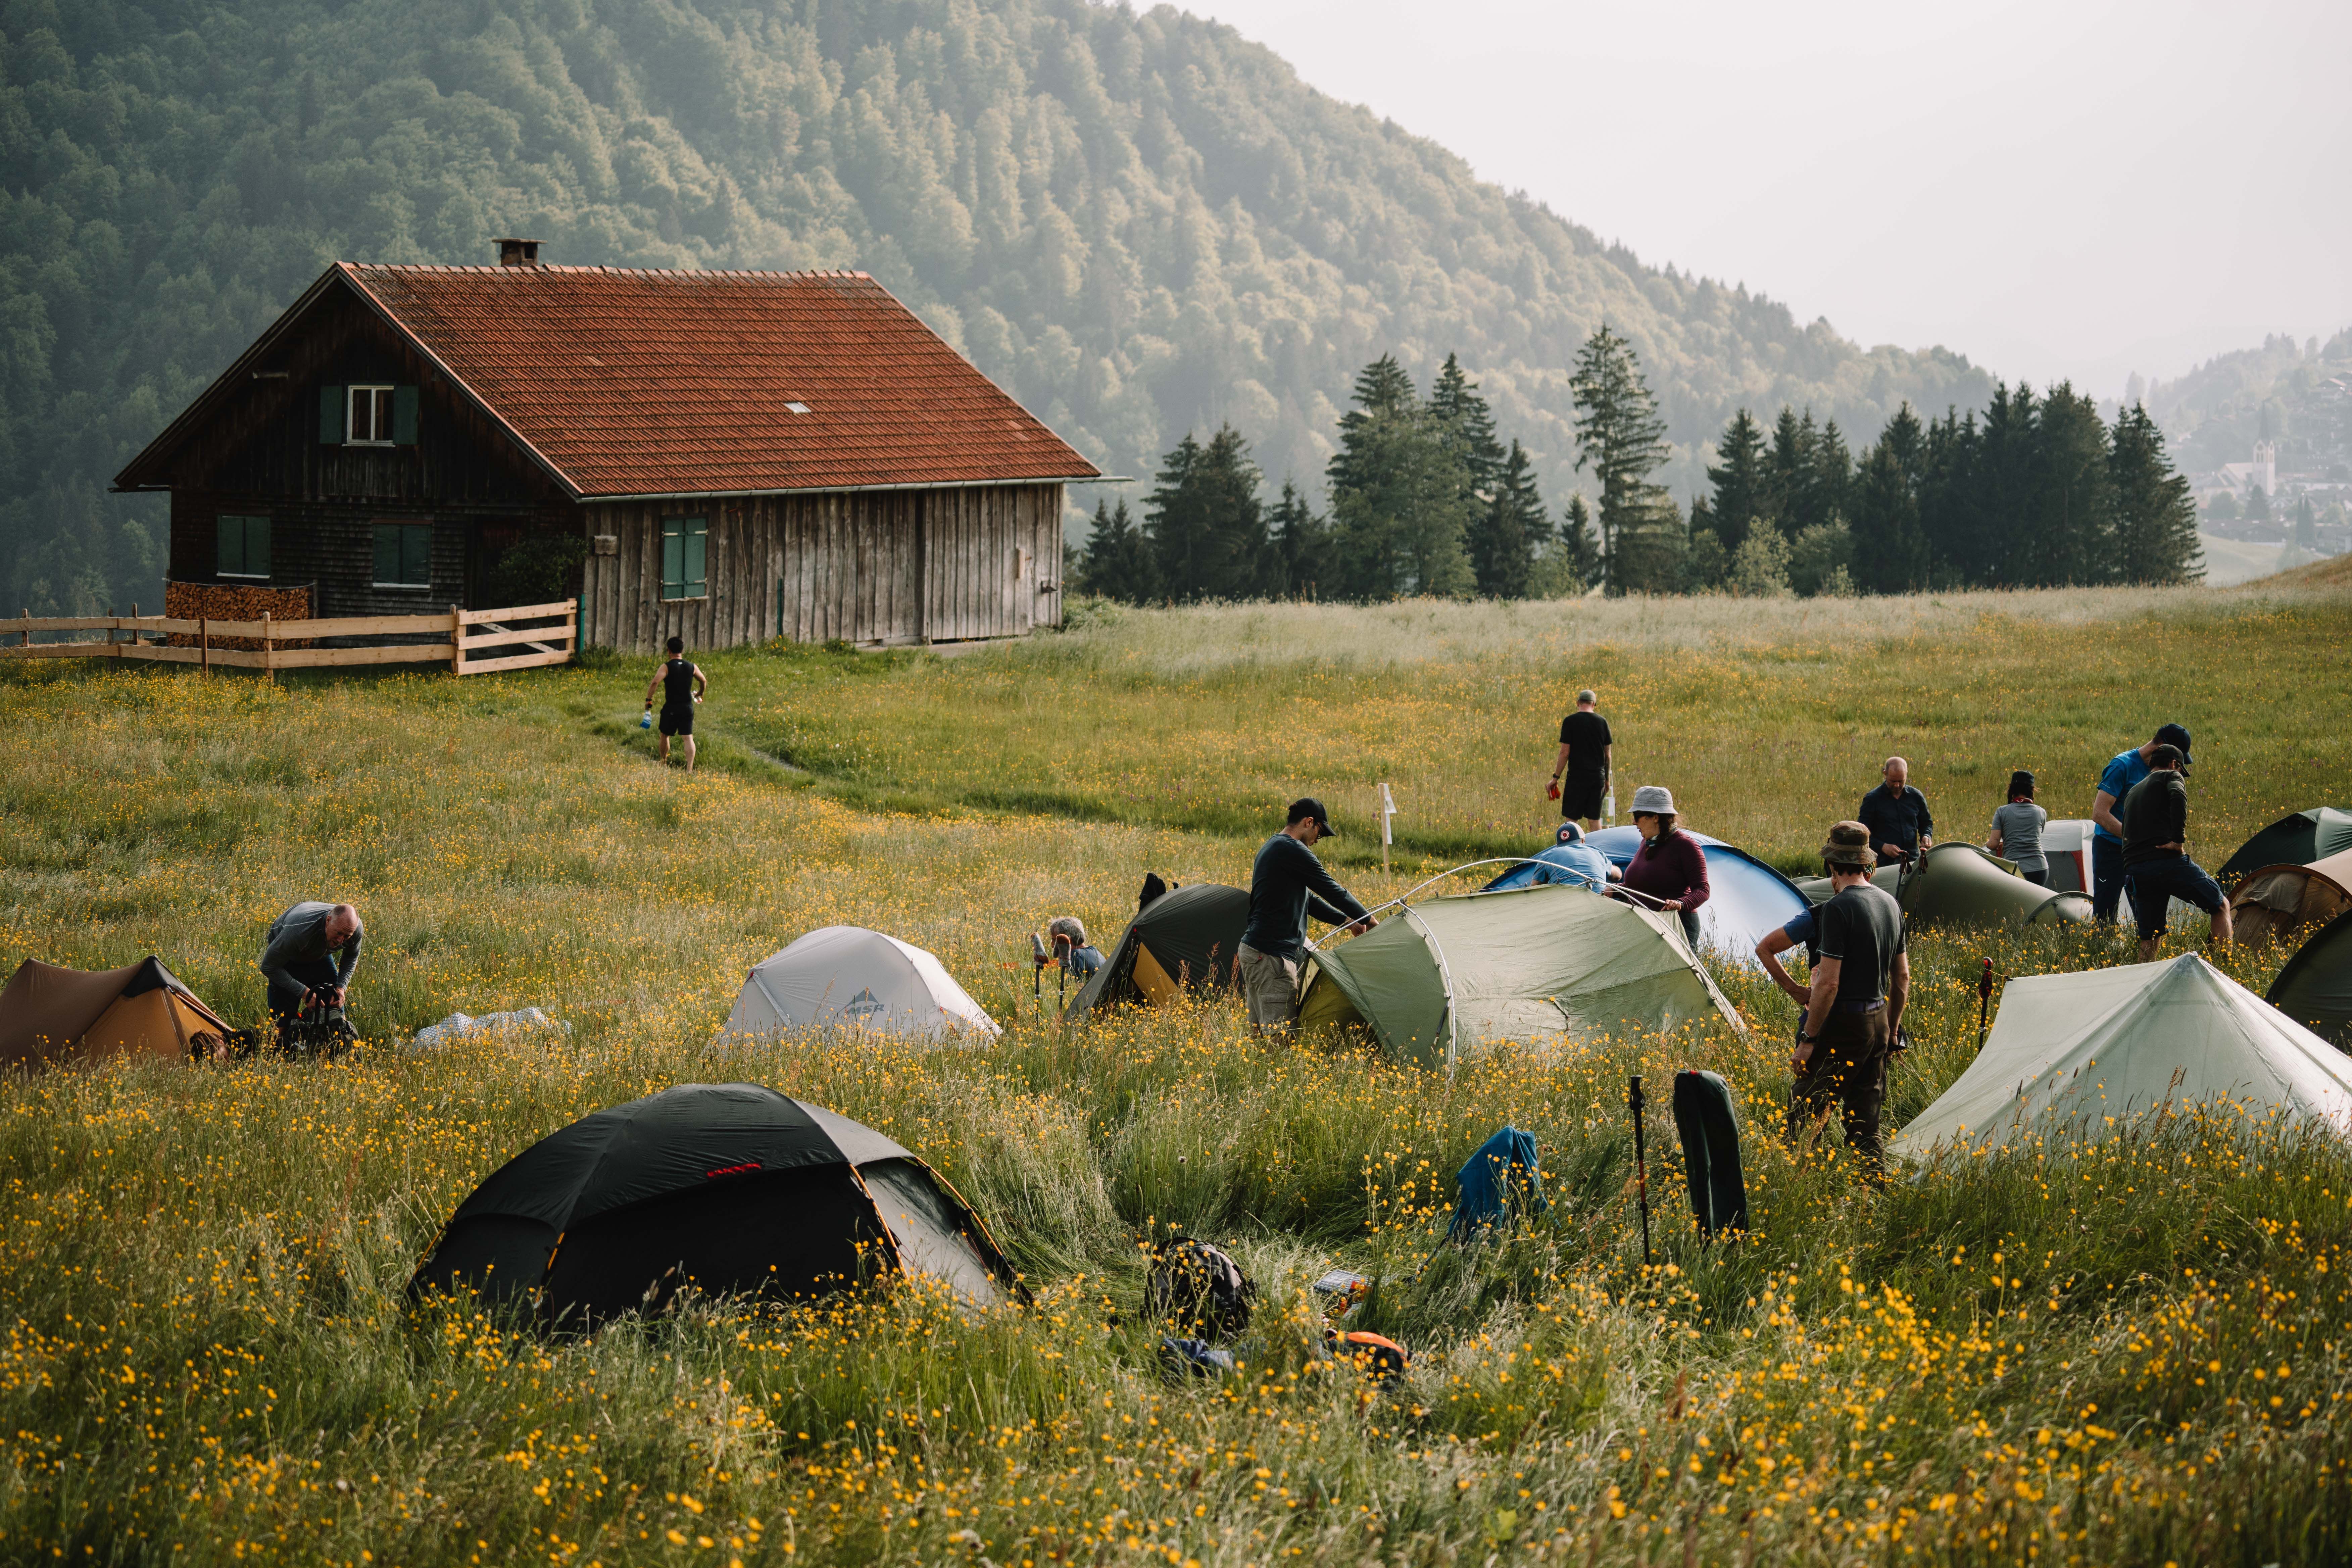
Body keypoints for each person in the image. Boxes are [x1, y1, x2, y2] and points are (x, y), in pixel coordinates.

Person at [1787, 822, 1909, 1179]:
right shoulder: (1891, 904)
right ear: (1867, 864)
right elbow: (1901, 978)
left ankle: (1797, 1189)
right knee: (1866, 1123)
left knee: (1805, 1115)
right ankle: (1874, 1195)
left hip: (1842, 1026)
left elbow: (1828, 985)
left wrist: (1808, 1040)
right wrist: (1892, 1030)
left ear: (1832, 866)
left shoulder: (1838, 908)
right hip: (1878, 1020)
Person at [1237, 798, 1374, 1034]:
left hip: (1257, 952)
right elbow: (1333, 890)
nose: (1317, 840)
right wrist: (1371, 921)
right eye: (1319, 833)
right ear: (1309, 822)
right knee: (1279, 1038)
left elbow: (1307, 899)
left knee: (1260, 1036)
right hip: (1272, 957)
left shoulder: (1273, 847)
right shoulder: (1292, 849)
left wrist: (1346, 921)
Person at [2118, 744, 2231, 962]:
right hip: (2165, 861)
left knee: (2150, 935)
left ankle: (2145, 980)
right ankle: (2223, 969)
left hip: (2137, 869)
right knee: (2220, 905)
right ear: (2174, 764)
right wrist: (2178, 841)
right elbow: (2178, 795)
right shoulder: (2171, 775)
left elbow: (2125, 830)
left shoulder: (2134, 790)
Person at [2090, 723, 2195, 924]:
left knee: (2146, 909)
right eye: (2176, 758)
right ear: (2162, 746)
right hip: (2111, 849)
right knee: (2105, 911)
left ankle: (2146, 951)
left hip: (2142, 852)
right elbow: (2100, 814)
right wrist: (2136, 839)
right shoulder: (2122, 765)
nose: (2176, 765)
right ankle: (2102, 949)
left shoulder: (2162, 771)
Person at [260, 901, 363, 1050]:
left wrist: (342, 988)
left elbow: (351, 957)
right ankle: (272, 1054)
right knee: (283, 1018)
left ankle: (337, 1051)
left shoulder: (354, 929)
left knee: (334, 1004)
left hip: (320, 953)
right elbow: (269, 967)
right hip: (289, 955)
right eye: (339, 934)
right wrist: (305, 993)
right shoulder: (298, 931)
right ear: (329, 921)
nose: (341, 941)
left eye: (347, 937)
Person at [1615, 785, 1708, 947]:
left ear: (1655, 817)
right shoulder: (1648, 841)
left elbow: (1703, 890)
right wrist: (1615, 889)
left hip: (1677, 926)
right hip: (1648, 923)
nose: (1633, 822)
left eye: (1637, 816)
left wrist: (1681, 903)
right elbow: (1642, 885)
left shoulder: (1687, 846)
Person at [1549, 689, 1613, 832]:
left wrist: (1556, 778)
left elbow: (1565, 753)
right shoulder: (1603, 722)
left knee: (1572, 820)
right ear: (1594, 705)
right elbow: (1607, 755)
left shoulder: (1570, 721)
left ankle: (1572, 851)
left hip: (1576, 778)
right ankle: (1597, 852)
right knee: (1595, 819)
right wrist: (1607, 780)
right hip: (1598, 778)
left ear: (1578, 703)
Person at [643, 636, 707, 771]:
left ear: (669, 651)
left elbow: (655, 682)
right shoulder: (692, 667)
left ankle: (663, 763)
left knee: (665, 735)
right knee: (688, 738)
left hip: (671, 707)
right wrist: (700, 693)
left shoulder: (666, 667)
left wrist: (649, 700)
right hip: (687, 707)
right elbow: (704, 681)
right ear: (682, 650)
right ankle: (689, 769)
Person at [1857, 756, 1934, 868]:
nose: (1897, 785)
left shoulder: (1916, 797)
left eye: (1901, 781)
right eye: (1893, 781)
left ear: (1907, 774)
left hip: (1912, 861)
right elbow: (1862, 834)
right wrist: (1883, 847)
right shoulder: (1873, 799)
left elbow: (1926, 823)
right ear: (1885, 773)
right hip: (1883, 864)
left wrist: (1926, 835)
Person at [1986, 770, 2051, 886]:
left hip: (2016, 870)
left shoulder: (2002, 811)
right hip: (2040, 869)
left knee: (2017, 904)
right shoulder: (2041, 812)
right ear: (2032, 789)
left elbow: (1993, 845)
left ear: (2012, 789)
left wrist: (1988, 843)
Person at [1525, 821, 1616, 892]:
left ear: (1558, 845)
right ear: (1583, 841)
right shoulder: (1597, 852)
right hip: (1600, 903)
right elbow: (1617, 876)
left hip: (1567, 905)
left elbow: (1534, 890)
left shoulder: (1548, 856)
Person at [1048, 916, 1107, 980]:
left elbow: (1078, 988)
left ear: (1067, 941)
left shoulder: (1075, 956)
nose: (1053, 946)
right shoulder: (1094, 951)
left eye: (1055, 941)